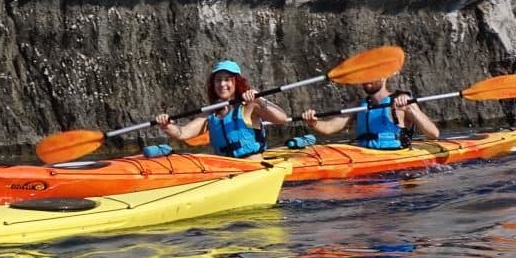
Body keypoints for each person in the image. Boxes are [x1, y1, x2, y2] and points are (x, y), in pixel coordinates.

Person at [153, 60, 294, 158]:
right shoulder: (211, 112)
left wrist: (260, 99)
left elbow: (282, 119)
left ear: (236, 82)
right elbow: (182, 133)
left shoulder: (250, 105)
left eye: (227, 79)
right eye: (218, 80)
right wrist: (166, 125)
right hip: (227, 171)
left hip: (254, 169)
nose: (222, 84)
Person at [299, 77, 440, 149]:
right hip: (364, 154)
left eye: (371, 75)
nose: (366, 79)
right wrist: (314, 123)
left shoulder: (402, 101)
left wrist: (411, 109)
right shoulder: (357, 106)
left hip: (395, 161)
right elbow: (329, 128)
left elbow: (433, 134)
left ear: (384, 76)